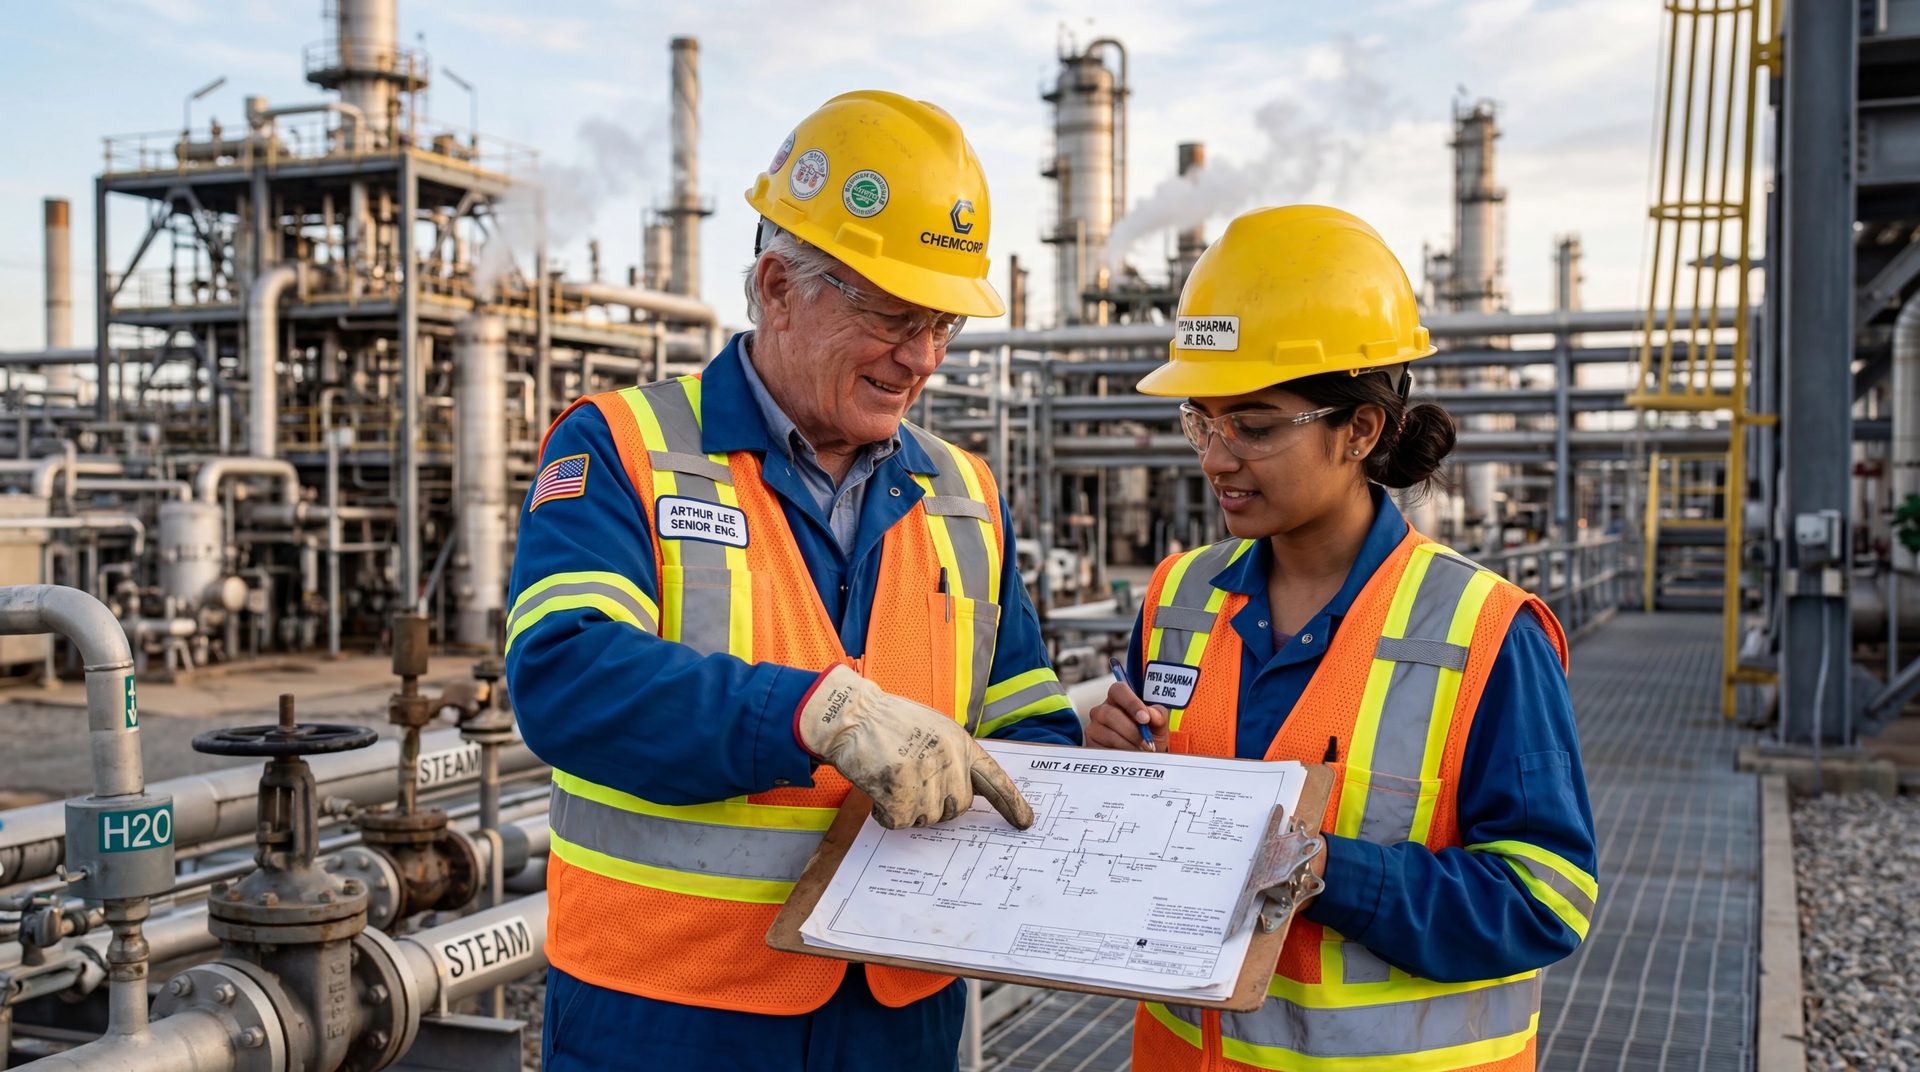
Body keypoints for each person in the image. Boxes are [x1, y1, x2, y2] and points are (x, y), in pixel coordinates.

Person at [505, 90, 1083, 1072]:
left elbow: (1023, 715)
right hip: (670, 1013)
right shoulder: (624, 447)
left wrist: (1106, 778)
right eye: (895, 316)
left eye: (943, 323)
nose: (922, 358)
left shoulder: (964, 493)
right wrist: (815, 713)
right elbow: (567, 675)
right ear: (778, 287)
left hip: (900, 1014)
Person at [1087, 205, 1598, 1071]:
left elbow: (1547, 899)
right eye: (1201, 420)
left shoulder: (1484, 632)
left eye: (1254, 426)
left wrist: (1327, 869)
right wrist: (1114, 770)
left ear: (1360, 430)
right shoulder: (1177, 597)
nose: (1215, 458)